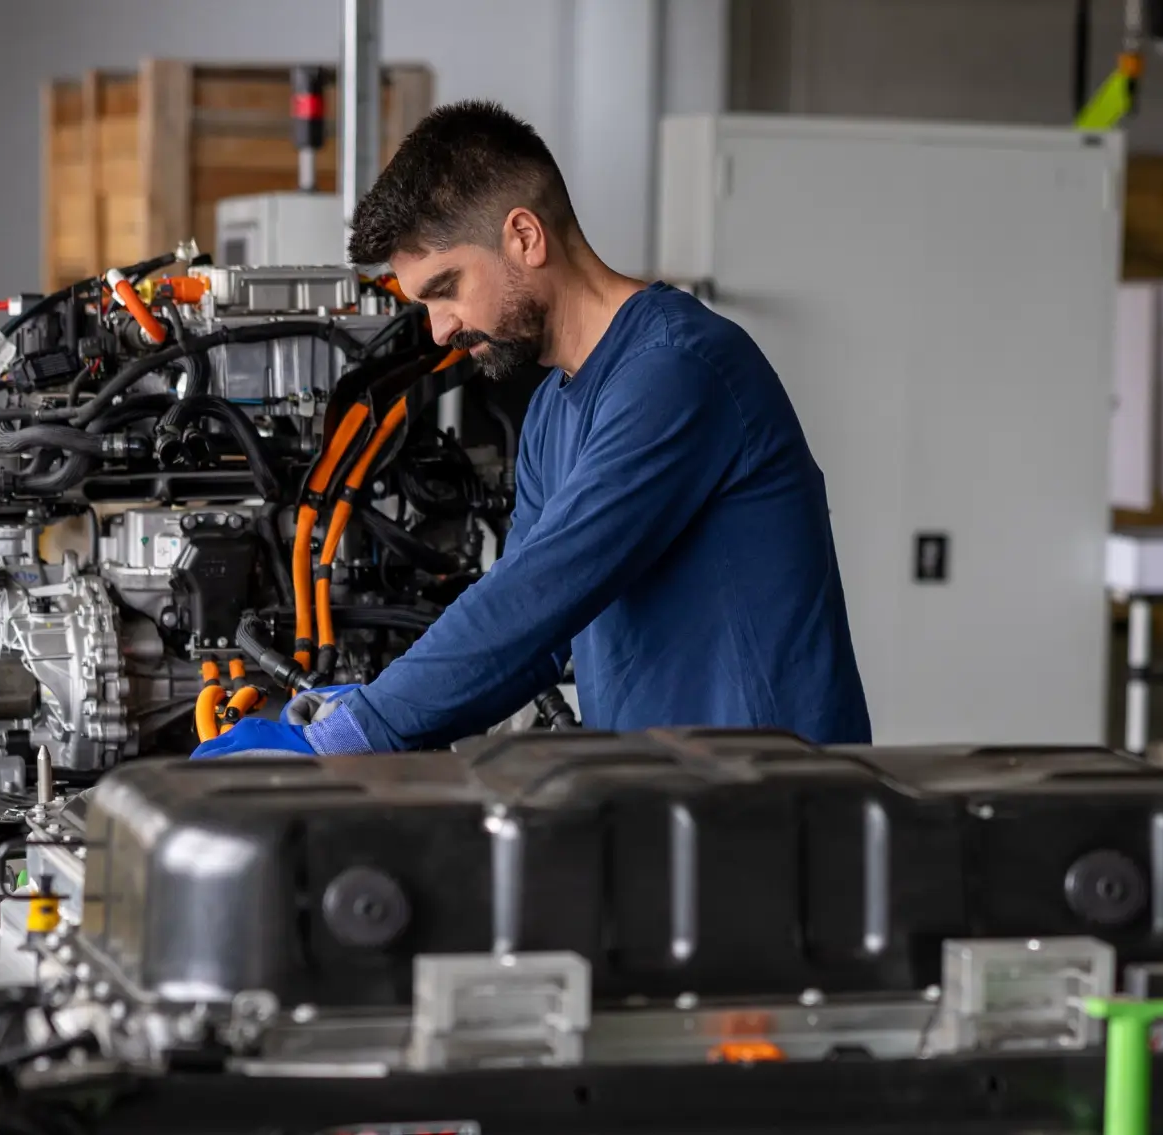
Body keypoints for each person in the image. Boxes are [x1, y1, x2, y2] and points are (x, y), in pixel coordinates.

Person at [192, 100, 868, 758]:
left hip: (773, 817)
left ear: (524, 237)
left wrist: (350, 735)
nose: (439, 329)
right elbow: (534, 640)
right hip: (665, 812)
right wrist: (359, 710)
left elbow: (538, 597)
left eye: (446, 288)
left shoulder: (677, 372)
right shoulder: (553, 410)